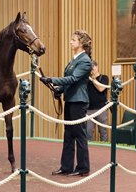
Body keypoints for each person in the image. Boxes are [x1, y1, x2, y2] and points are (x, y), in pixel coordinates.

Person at [40, 29, 92, 177]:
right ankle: (67, 166)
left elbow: (74, 79)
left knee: (79, 135)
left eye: (73, 40)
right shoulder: (74, 60)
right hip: (70, 100)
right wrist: (59, 90)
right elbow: (69, 81)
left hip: (79, 101)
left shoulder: (85, 61)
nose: (70, 42)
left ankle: (83, 167)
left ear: (81, 43)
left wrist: (52, 79)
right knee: (68, 134)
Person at [87, 60, 109, 142]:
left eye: (93, 67)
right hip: (88, 109)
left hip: (101, 109)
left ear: (97, 67)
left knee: (103, 132)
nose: (92, 70)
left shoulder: (104, 78)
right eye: (90, 68)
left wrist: (93, 79)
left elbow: (101, 88)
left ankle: (105, 151)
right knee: (88, 133)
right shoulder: (87, 80)